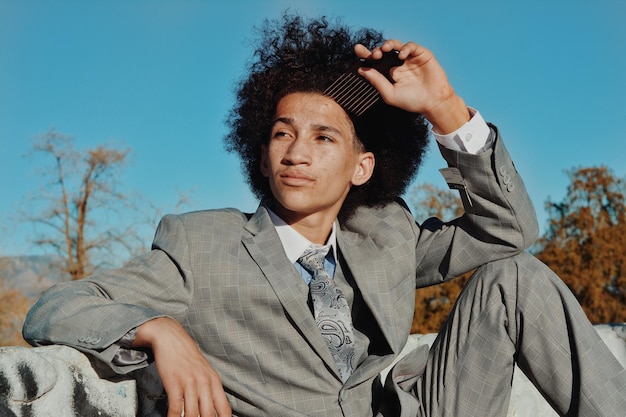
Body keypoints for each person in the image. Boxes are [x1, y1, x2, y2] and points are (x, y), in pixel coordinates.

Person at [23, 14, 626, 417]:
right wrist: (161, 330)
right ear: (261, 154)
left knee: (513, 276)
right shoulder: (200, 243)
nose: (297, 152)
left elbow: (510, 230)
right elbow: (56, 307)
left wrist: (444, 108)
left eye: (323, 138)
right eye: (283, 134)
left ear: (363, 167)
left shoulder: (383, 234)